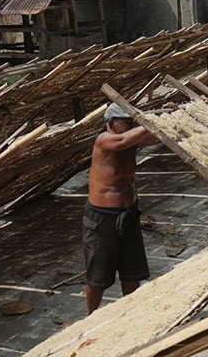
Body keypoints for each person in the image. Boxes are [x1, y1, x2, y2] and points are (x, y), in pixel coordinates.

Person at [83, 102, 162, 315]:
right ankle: (90, 315)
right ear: (111, 123)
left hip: (128, 213)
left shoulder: (131, 141)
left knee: (131, 270)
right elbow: (124, 140)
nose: (130, 126)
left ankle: (131, 312)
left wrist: (178, 114)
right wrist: (151, 121)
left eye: (132, 122)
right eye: (126, 122)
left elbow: (158, 136)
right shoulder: (105, 140)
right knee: (98, 277)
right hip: (103, 217)